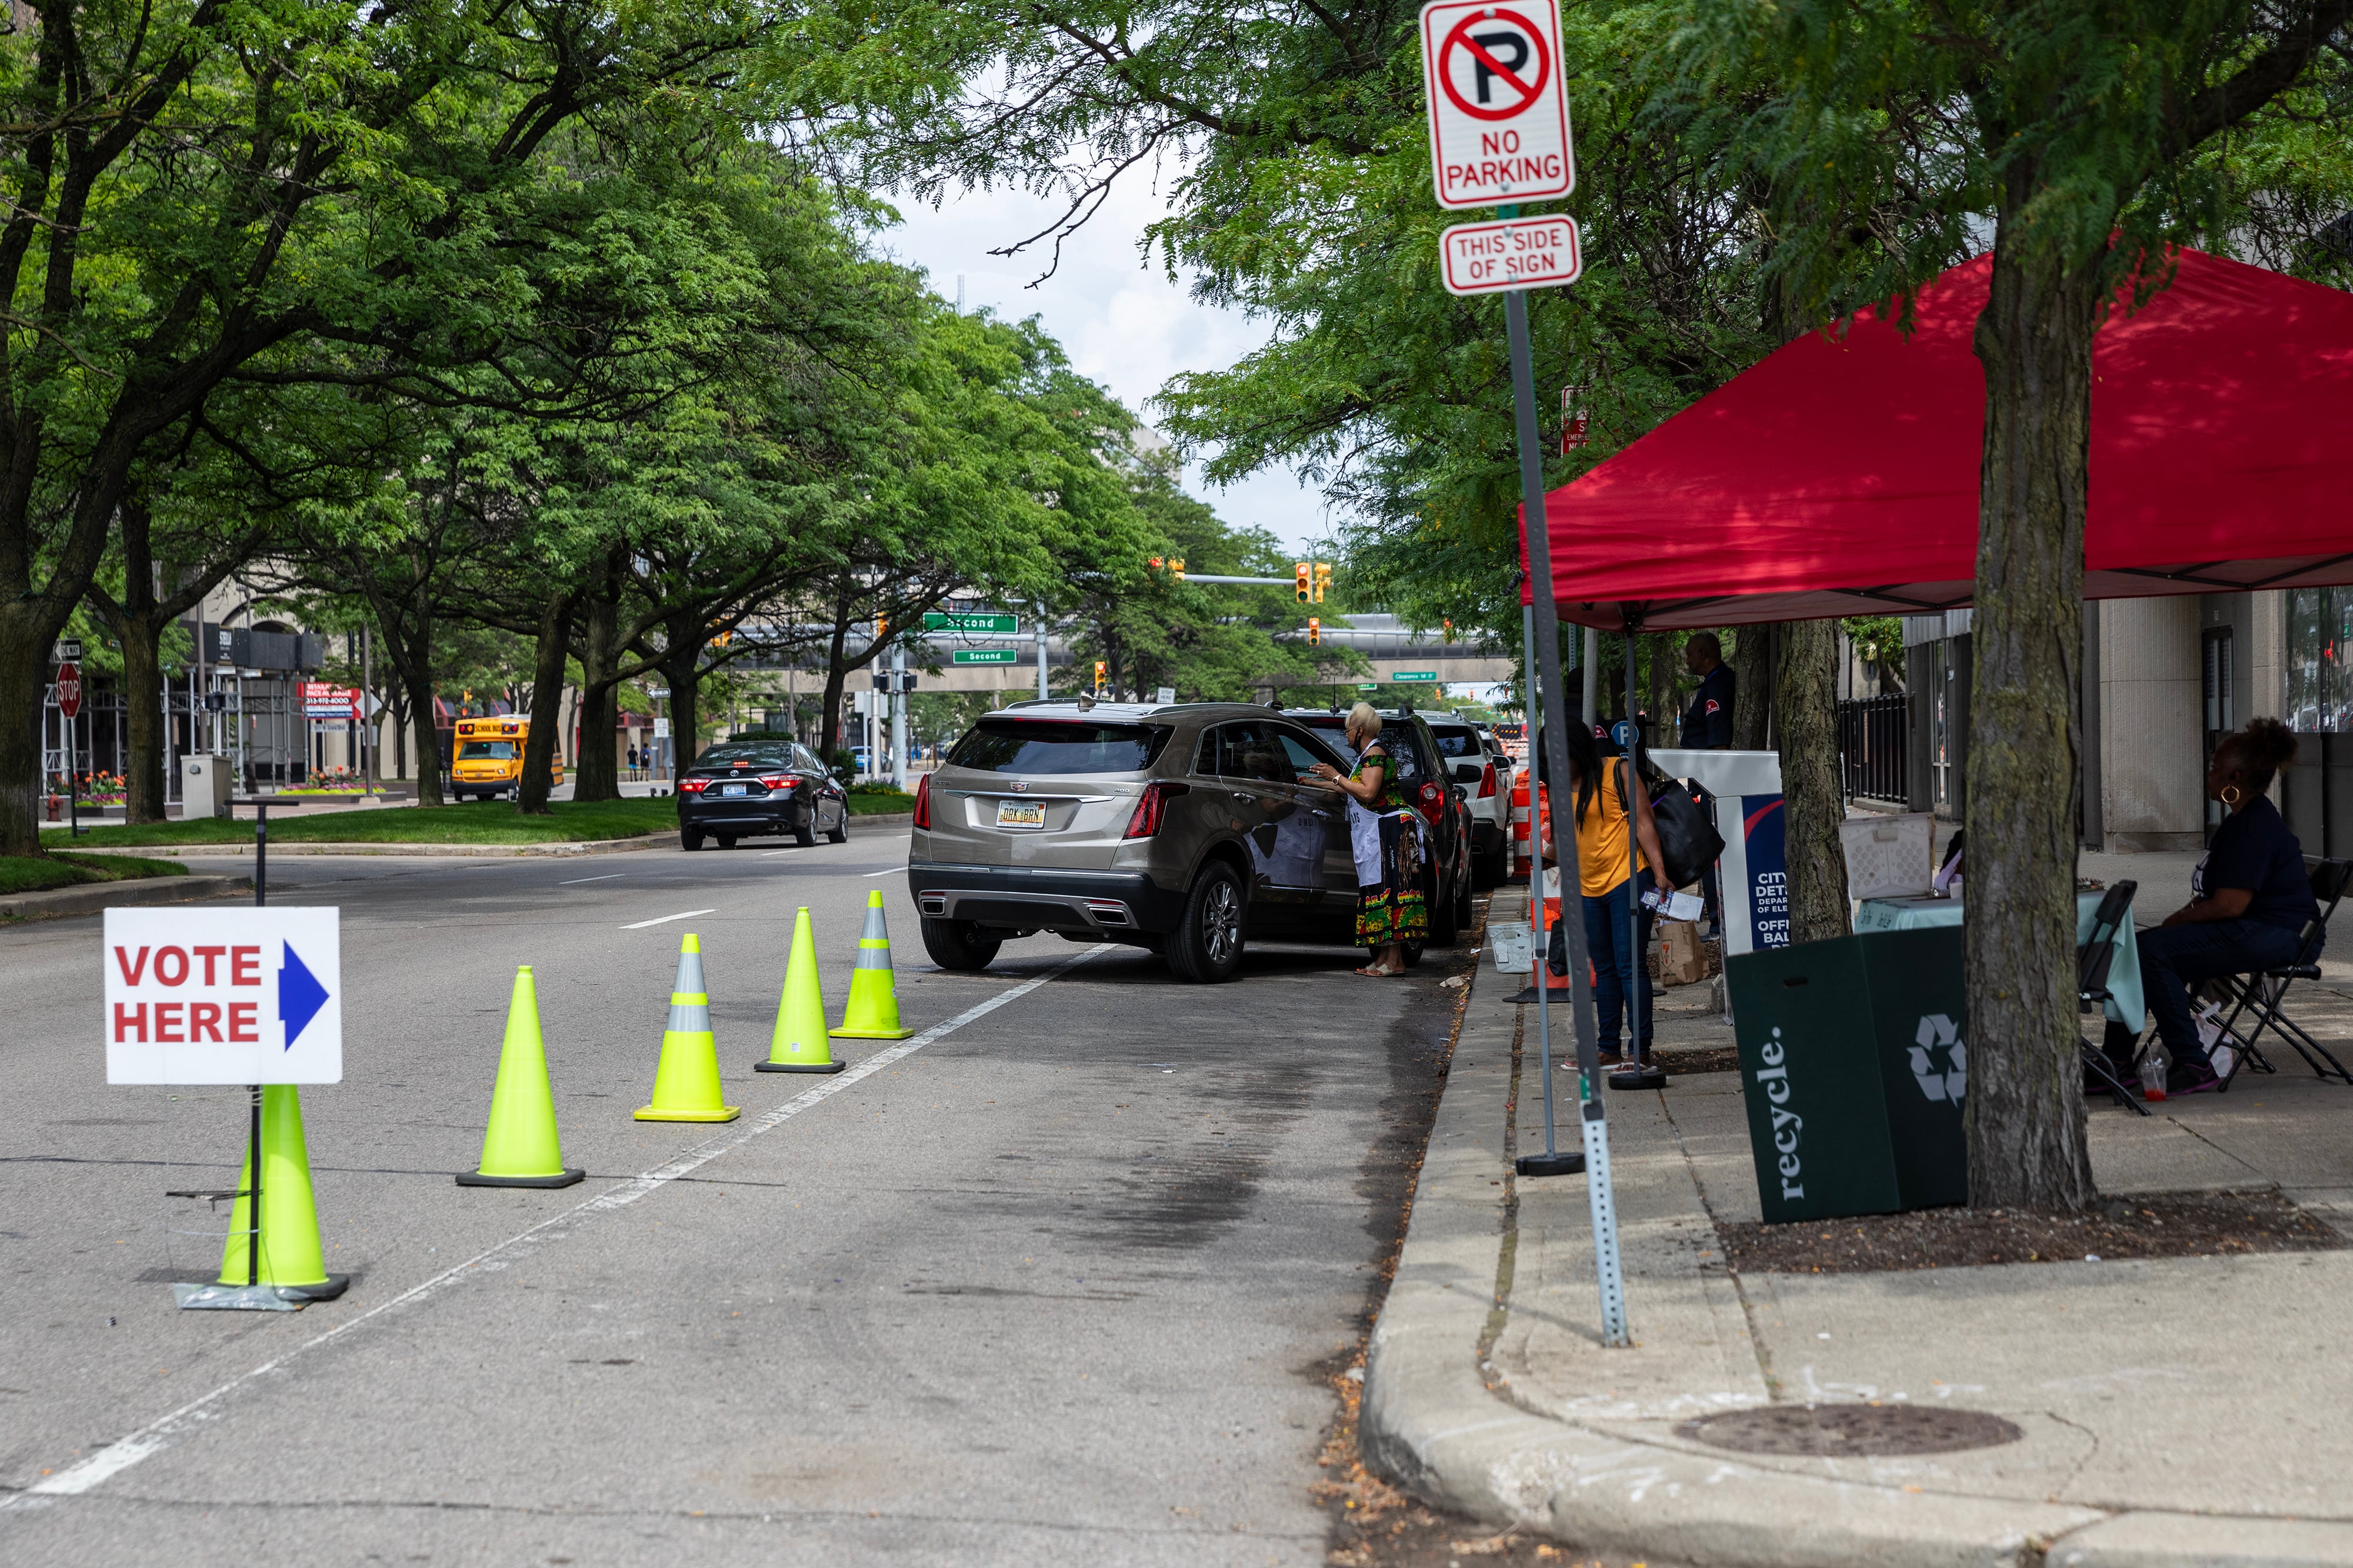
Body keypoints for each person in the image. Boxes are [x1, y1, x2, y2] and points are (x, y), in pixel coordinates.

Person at [2137, 718, 2321, 1095]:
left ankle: (2193, 1062)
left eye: (2214, 769)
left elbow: (2229, 906)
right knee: (2141, 951)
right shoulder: (2241, 822)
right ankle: (2118, 1060)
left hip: (2280, 935)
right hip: (2259, 929)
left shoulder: (2254, 828)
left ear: (2234, 778)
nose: (2209, 776)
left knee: (2151, 952)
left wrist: (2178, 921)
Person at [1539, 719, 1671, 1067]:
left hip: (1629, 879)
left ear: (1580, 751)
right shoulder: (1558, 787)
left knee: (1630, 966)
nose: (1555, 765)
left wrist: (1660, 873)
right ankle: (1608, 1047)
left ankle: (1639, 1052)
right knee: (1605, 968)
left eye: (1560, 757)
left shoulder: (1620, 771)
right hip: (1587, 888)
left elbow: (1645, 824)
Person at [1307, 702, 1429, 978]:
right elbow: (1350, 788)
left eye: (1348, 730)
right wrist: (1316, 784)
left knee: (1391, 891)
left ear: (1359, 729)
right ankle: (1384, 956)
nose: (1346, 736)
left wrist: (1334, 776)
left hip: (1390, 832)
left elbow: (1368, 793)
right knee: (1377, 891)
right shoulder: (1366, 756)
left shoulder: (1375, 753)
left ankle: (1396, 962)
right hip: (1377, 833)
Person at [1679, 633, 1735, 749]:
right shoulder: (1714, 682)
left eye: (1689, 655)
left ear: (1702, 654)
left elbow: (1720, 742)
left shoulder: (1718, 687)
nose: (1687, 661)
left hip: (1706, 763)